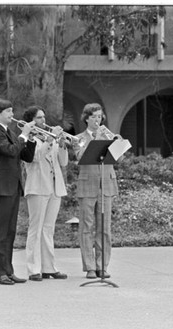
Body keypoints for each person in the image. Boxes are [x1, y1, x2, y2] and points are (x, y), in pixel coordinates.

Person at [0, 99, 37, 285]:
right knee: (0, 232)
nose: (12, 114)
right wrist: (23, 136)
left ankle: (8, 270)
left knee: (10, 231)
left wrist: (30, 139)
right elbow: (10, 151)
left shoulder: (10, 132)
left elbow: (26, 156)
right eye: (8, 111)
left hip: (14, 186)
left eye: (11, 110)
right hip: (2, 186)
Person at [72, 103, 120, 279]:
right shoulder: (78, 138)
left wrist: (117, 143)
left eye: (99, 117)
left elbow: (119, 158)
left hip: (106, 185)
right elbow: (80, 157)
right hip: (87, 186)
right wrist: (96, 140)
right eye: (93, 117)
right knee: (86, 227)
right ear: (86, 118)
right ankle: (90, 266)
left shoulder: (108, 136)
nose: (97, 120)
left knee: (105, 228)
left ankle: (102, 266)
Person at [22, 106, 68, 282]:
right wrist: (50, 140)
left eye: (44, 116)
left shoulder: (52, 138)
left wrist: (62, 144)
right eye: (39, 118)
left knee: (49, 229)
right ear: (32, 121)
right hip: (38, 187)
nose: (44, 120)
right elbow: (34, 157)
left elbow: (63, 163)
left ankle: (49, 267)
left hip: (55, 187)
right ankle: (34, 269)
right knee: (36, 228)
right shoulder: (29, 137)